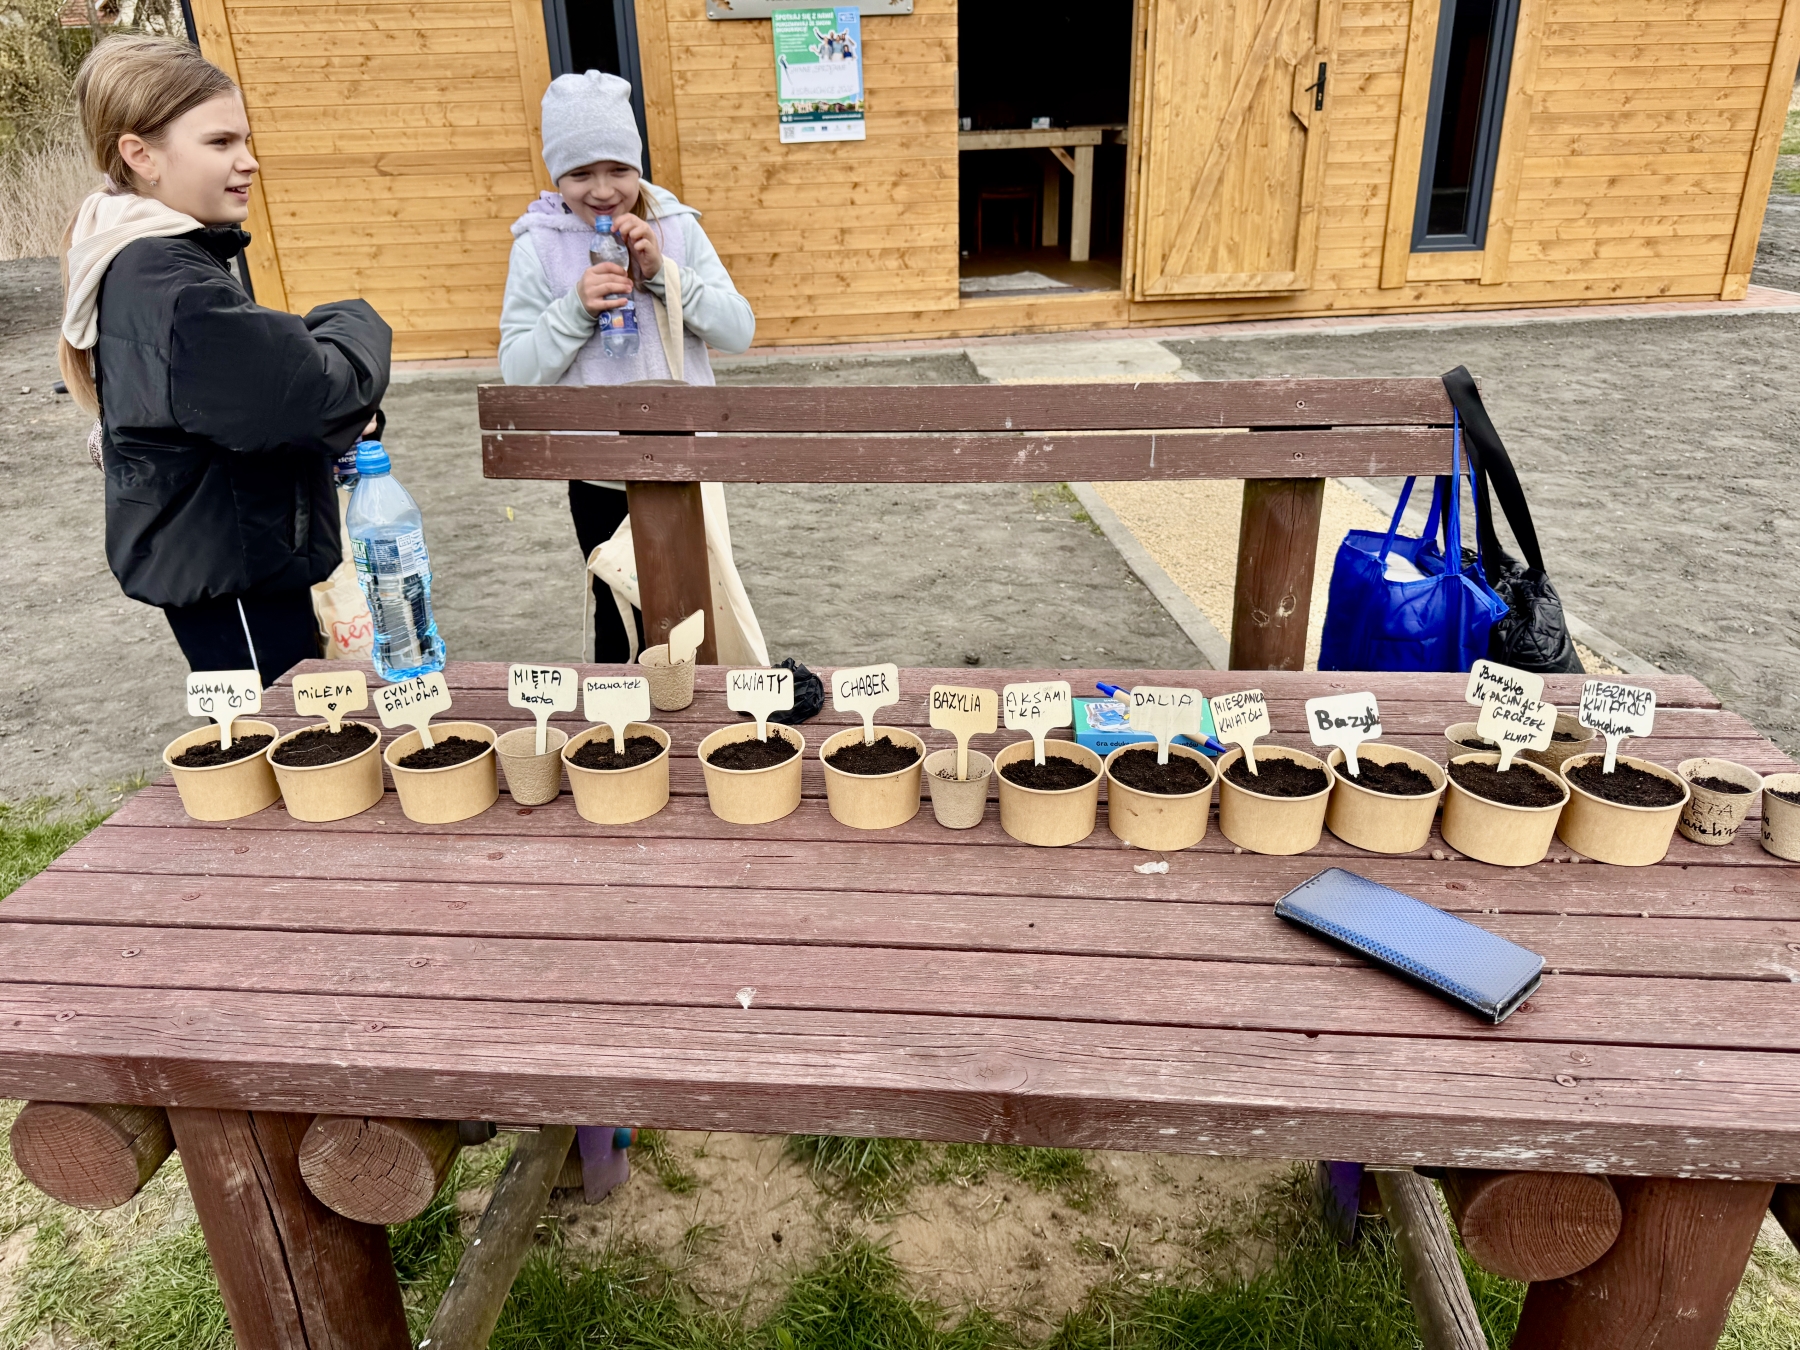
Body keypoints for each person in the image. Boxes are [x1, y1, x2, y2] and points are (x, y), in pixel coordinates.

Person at [60, 37, 390, 685]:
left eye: (246, 140)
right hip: (234, 573)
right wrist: (353, 319)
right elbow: (316, 400)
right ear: (141, 155)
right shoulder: (175, 285)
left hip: (227, 560)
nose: (249, 161)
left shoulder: (148, 260)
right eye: (221, 142)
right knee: (277, 728)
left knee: (274, 728)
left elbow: (257, 388)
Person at [499, 70, 765, 665]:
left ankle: (700, 714)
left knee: (698, 611)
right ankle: (623, 719)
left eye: (618, 169)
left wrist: (667, 277)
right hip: (599, 474)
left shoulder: (678, 228)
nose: (602, 190)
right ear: (555, 173)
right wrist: (574, 308)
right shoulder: (538, 246)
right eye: (580, 173)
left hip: (687, 463)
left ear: (638, 164)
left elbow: (739, 331)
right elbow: (518, 373)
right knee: (619, 616)